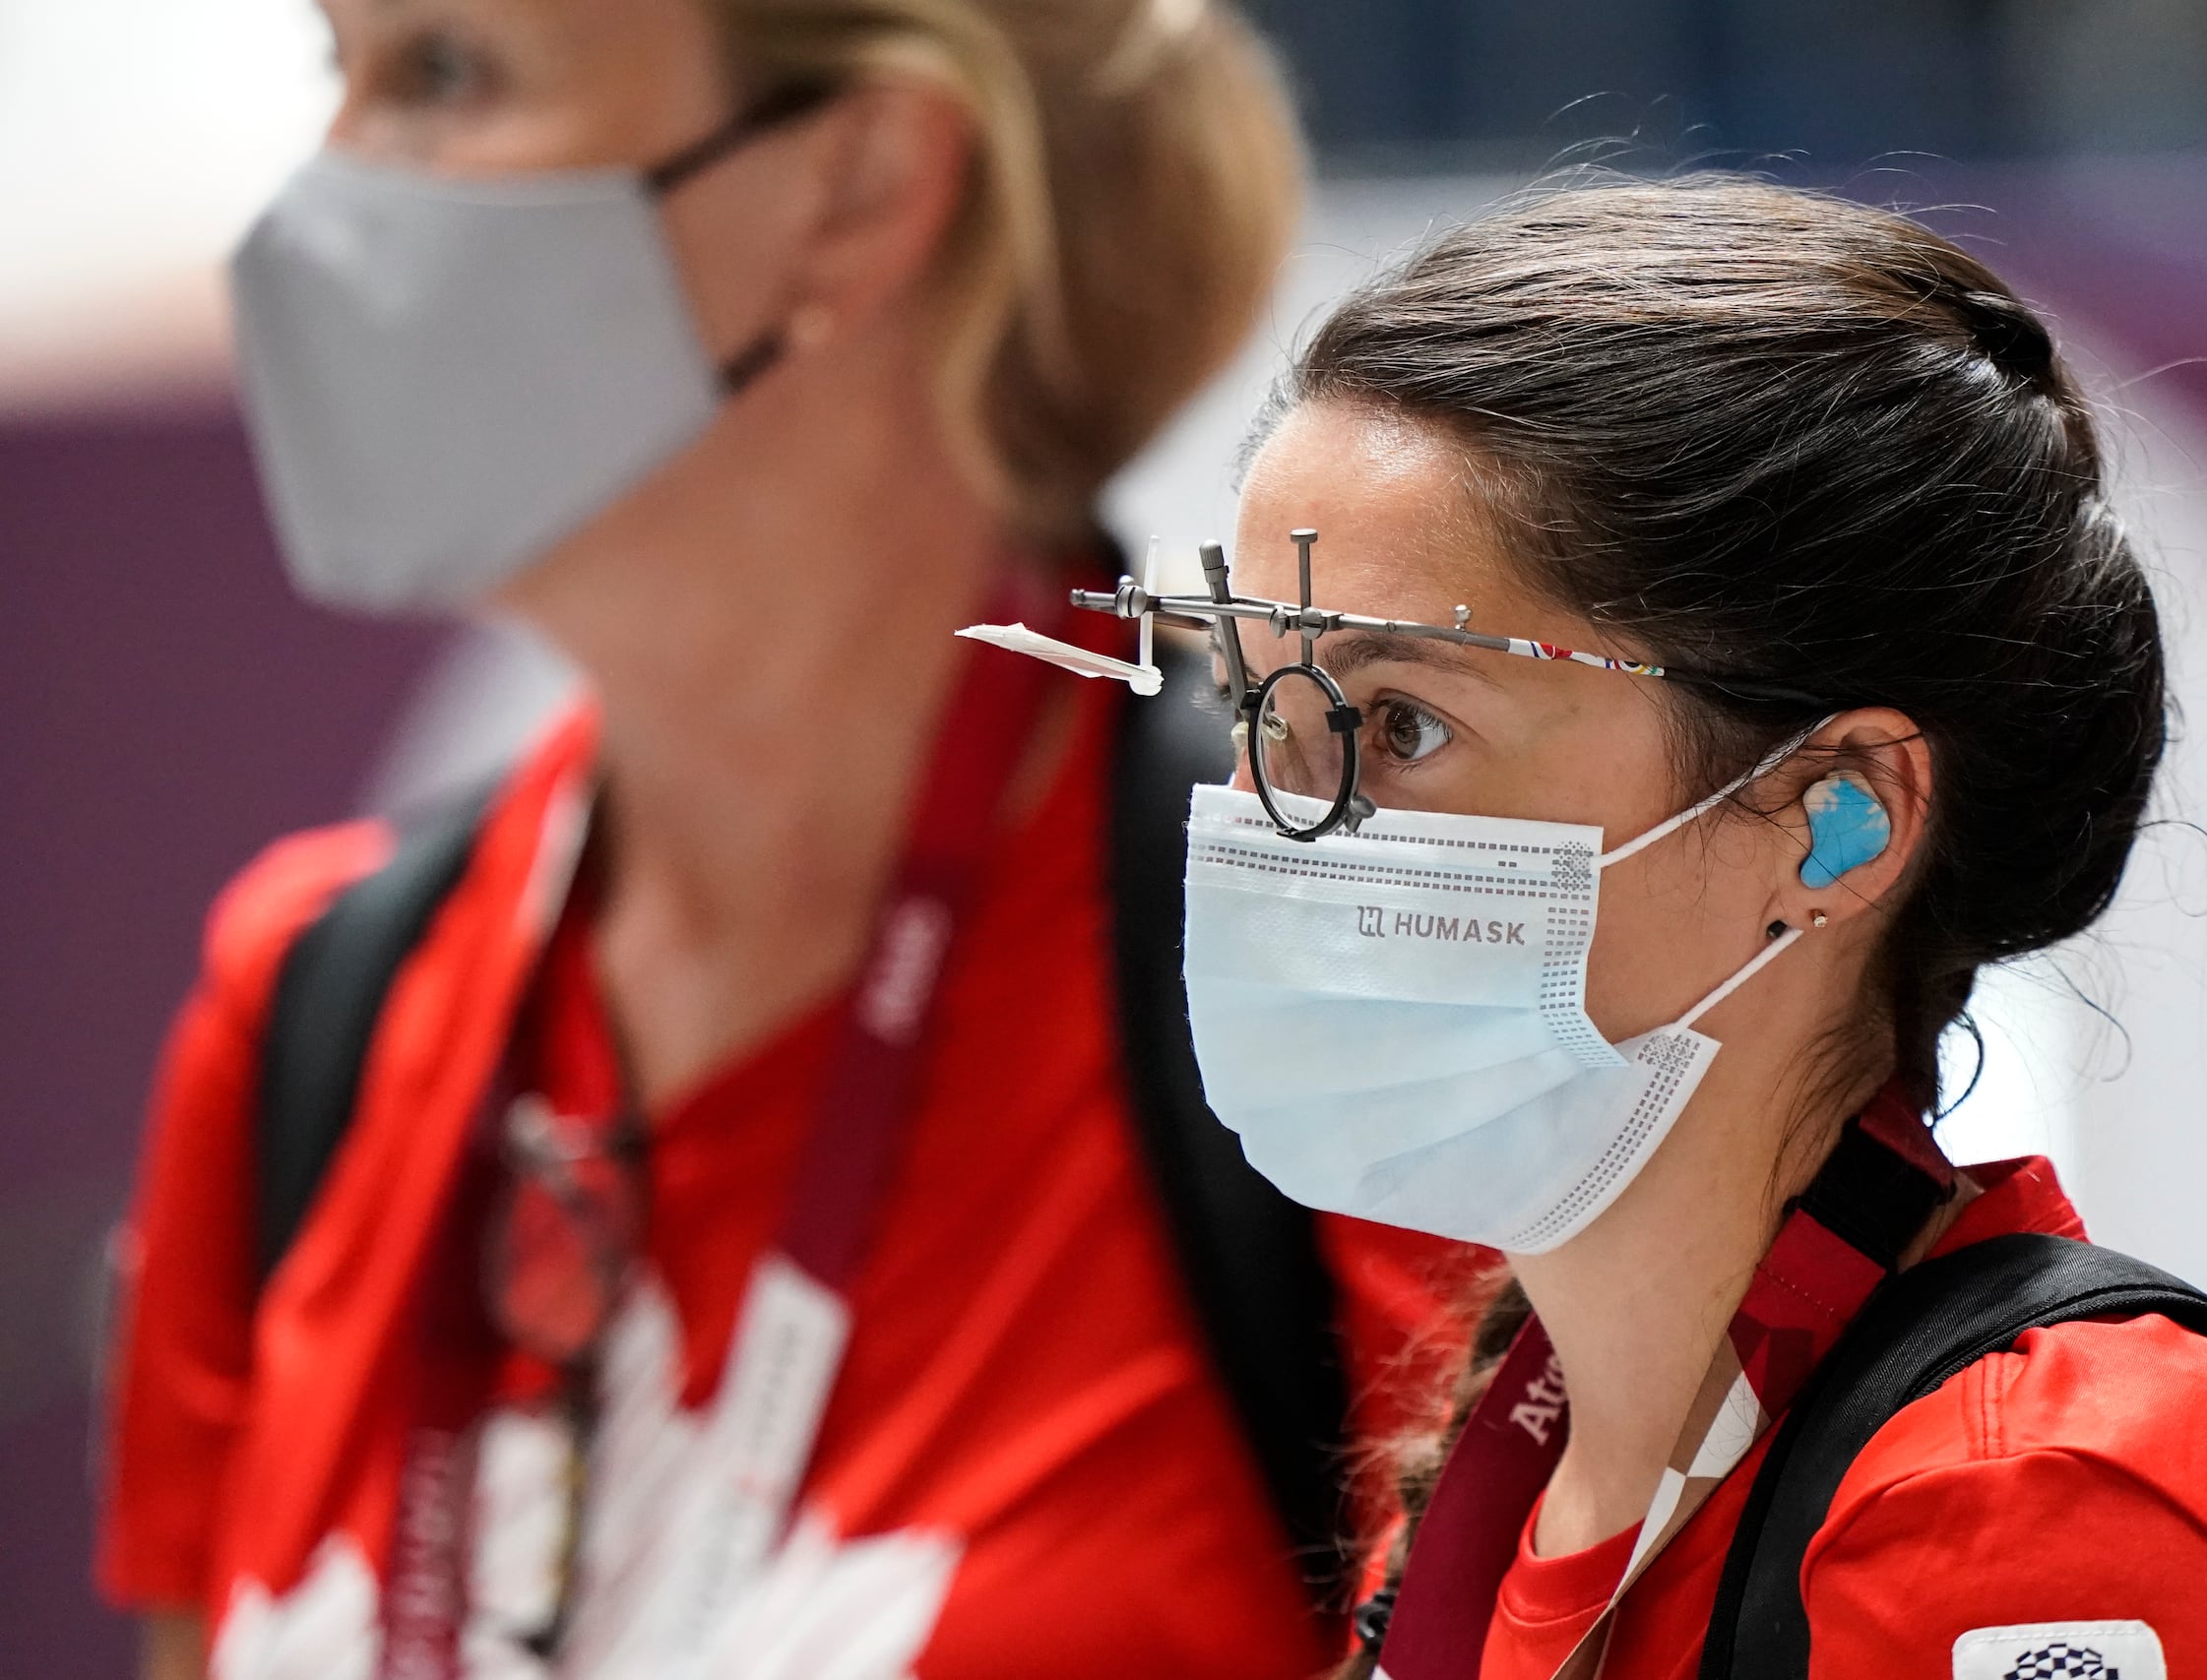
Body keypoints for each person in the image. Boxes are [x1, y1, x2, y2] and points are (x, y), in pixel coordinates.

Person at [93, 2, 1469, 1677]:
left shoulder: (1356, 958)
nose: (323, 199)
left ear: (859, 184)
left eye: (444, 75)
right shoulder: (310, 1003)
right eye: (341, 76)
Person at [1163, 178, 2207, 1676]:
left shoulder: (2029, 1513)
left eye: (1404, 720)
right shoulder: (1514, 1499)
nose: (1267, 818)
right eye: (1256, 702)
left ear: (1840, 817)